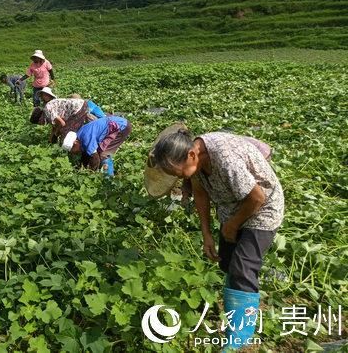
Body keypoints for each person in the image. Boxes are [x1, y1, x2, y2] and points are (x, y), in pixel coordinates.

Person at [147, 127, 284, 350]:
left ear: (191, 155)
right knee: (228, 263)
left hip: (263, 209)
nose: (176, 177)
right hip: (233, 208)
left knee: (243, 267)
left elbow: (256, 197)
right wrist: (207, 234)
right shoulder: (198, 159)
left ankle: (240, 338)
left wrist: (232, 224)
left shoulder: (224, 158)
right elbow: (200, 194)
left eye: (176, 171)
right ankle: (236, 312)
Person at [62, 115, 132, 177]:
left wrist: (91, 174)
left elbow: (95, 158)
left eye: (72, 150)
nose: (73, 153)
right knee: (98, 150)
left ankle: (109, 179)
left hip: (122, 127)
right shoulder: (80, 135)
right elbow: (86, 152)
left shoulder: (86, 138)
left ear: (76, 142)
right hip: (115, 123)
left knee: (103, 154)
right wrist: (81, 166)